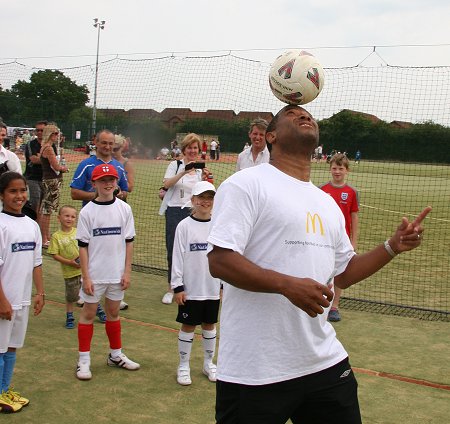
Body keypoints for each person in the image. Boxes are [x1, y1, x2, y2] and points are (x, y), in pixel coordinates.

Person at [207, 104, 431, 423]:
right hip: (255, 368)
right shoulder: (246, 184)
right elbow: (220, 261)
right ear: (270, 135)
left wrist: (391, 247)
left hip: (323, 362)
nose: (304, 116)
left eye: (308, 115)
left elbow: (345, 273)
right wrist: (285, 284)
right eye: (291, 114)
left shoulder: (326, 203)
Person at [75, 164, 139, 380]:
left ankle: (116, 355)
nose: (108, 184)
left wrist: (127, 271)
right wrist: (86, 276)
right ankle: (83, 361)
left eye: (111, 179)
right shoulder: (87, 212)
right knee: (89, 314)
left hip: (117, 274)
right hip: (94, 275)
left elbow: (129, 242)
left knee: (113, 313)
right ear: (94, 184)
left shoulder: (124, 209)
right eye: (103, 180)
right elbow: (82, 247)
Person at [0, 172, 44, 413]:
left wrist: (40, 293)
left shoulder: (31, 225)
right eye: (13, 191)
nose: (19, 196)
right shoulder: (1, 225)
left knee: (13, 346)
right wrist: (2, 300)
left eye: (22, 190)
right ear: (2, 195)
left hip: (22, 300)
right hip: (4, 302)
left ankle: (5, 391)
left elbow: (36, 262)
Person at [171, 181, 221, 386]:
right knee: (189, 325)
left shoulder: (219, 224)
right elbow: (177, 256)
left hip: (212, 287)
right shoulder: (184, 226)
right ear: (193, 200)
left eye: (209, 198)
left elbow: (223, 256)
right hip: (191, 289)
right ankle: (183, 365)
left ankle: (209, 363)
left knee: (210, 325)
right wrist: (178, 286)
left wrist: (223, 285)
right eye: (201, 197)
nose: (205, 202)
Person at [159, 133, 211, 305]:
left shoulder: (200, 169)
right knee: (173, 249)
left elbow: (206, 192)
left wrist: (207, 179)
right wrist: (183, 172)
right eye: (189, 147)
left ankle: (190, 286)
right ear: (184, 149)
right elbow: (166, 185)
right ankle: (171, 288)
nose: (192, 151)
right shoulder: (175, 165)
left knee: (194, 251)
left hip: (194, 213)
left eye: (195, 148)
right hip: (175, 210)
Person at [319, 153, 359, 322]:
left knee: (340, 271)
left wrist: (353, 241)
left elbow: (354, 217)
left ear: (347, 171)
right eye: (334, 168)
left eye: (341, 169)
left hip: (342, 240)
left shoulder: (351, 192)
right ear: (330, 169)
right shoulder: (322, 190)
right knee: (322, 269)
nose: (337, 172)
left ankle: (334, 306)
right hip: (323, 238)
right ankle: (321, 302)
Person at [48, 205, 86, 329]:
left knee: (90, 291)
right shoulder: (56, 236)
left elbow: (86, 247)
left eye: (72, 216)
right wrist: (69, 262)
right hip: (69, 273)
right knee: (71, 296)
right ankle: (69, 316)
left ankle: (98, 310)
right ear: (59, 218)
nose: (69, 219)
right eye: (66, 216)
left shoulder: (78, 232)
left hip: (84, 271)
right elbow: (54, 254)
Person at [70, 129, 128, 207]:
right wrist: (100, 195)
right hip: (92, 214)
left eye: (110, 143)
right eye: (104, 143)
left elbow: (125, 192)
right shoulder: (86, 165)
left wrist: (120, 195)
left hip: (113, 214)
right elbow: (74, 193)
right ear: (96, 143)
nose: (107, 147)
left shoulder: (119, 167)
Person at [39, 124, 69, 247]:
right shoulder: (48, 148)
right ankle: (44, 238)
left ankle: (45, 236)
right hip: (52, 181)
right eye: (55, 133)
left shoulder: (46, 147)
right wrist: (64, 169)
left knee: (46, 209)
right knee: (47, 210)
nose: (58, 136)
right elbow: (56, 167)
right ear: (50, 134)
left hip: (48, 180)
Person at [23, 121, 47, 221]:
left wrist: (40, 158)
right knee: (35, 203)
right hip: (32, 177)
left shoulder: (50, 145)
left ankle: (38, 227)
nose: (40, 132)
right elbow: (33, 159)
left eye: (42, 130)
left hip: (46, 178)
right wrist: (47, 159)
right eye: (38, 130)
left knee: (43, 206)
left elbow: (55, 159)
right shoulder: (31, 144)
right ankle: (32, 224)